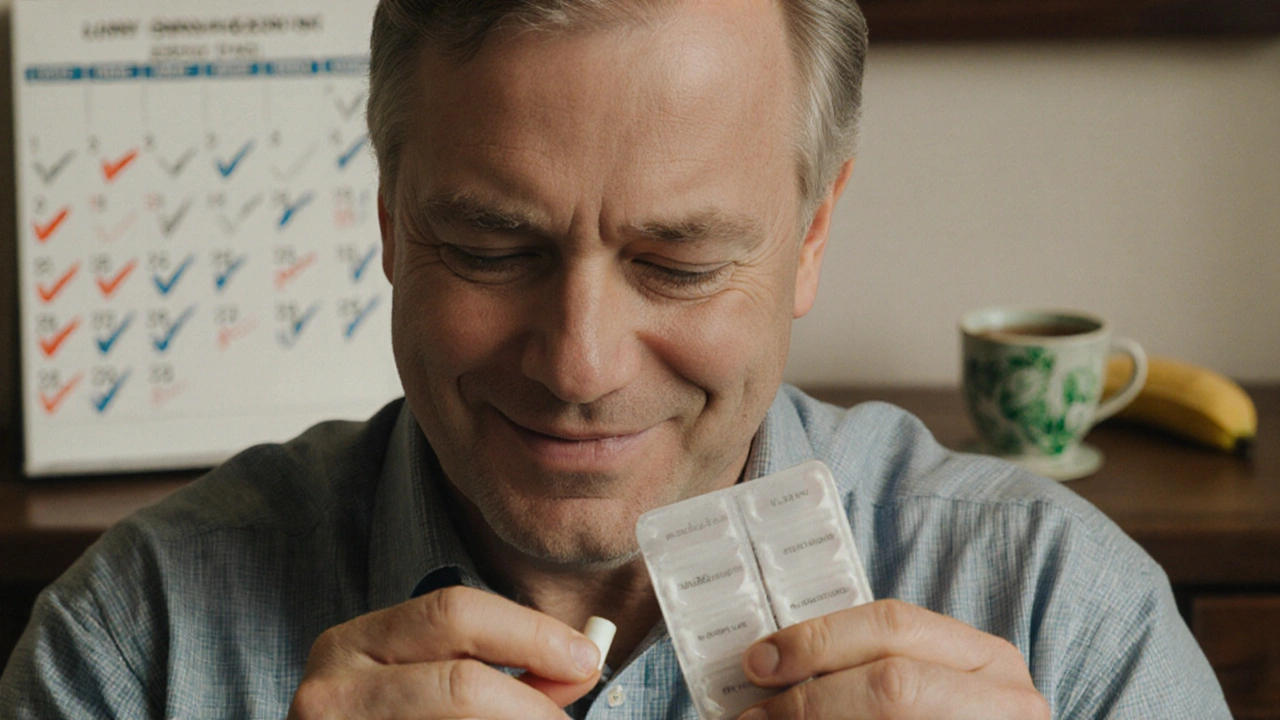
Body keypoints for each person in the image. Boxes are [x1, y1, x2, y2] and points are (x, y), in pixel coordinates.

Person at [1, 0, 1230, 718]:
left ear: (809, 237)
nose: (580, 365)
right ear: (388, 223)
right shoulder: (134, 644)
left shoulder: (1068, 622)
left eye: (681, 263)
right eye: (488, 247)